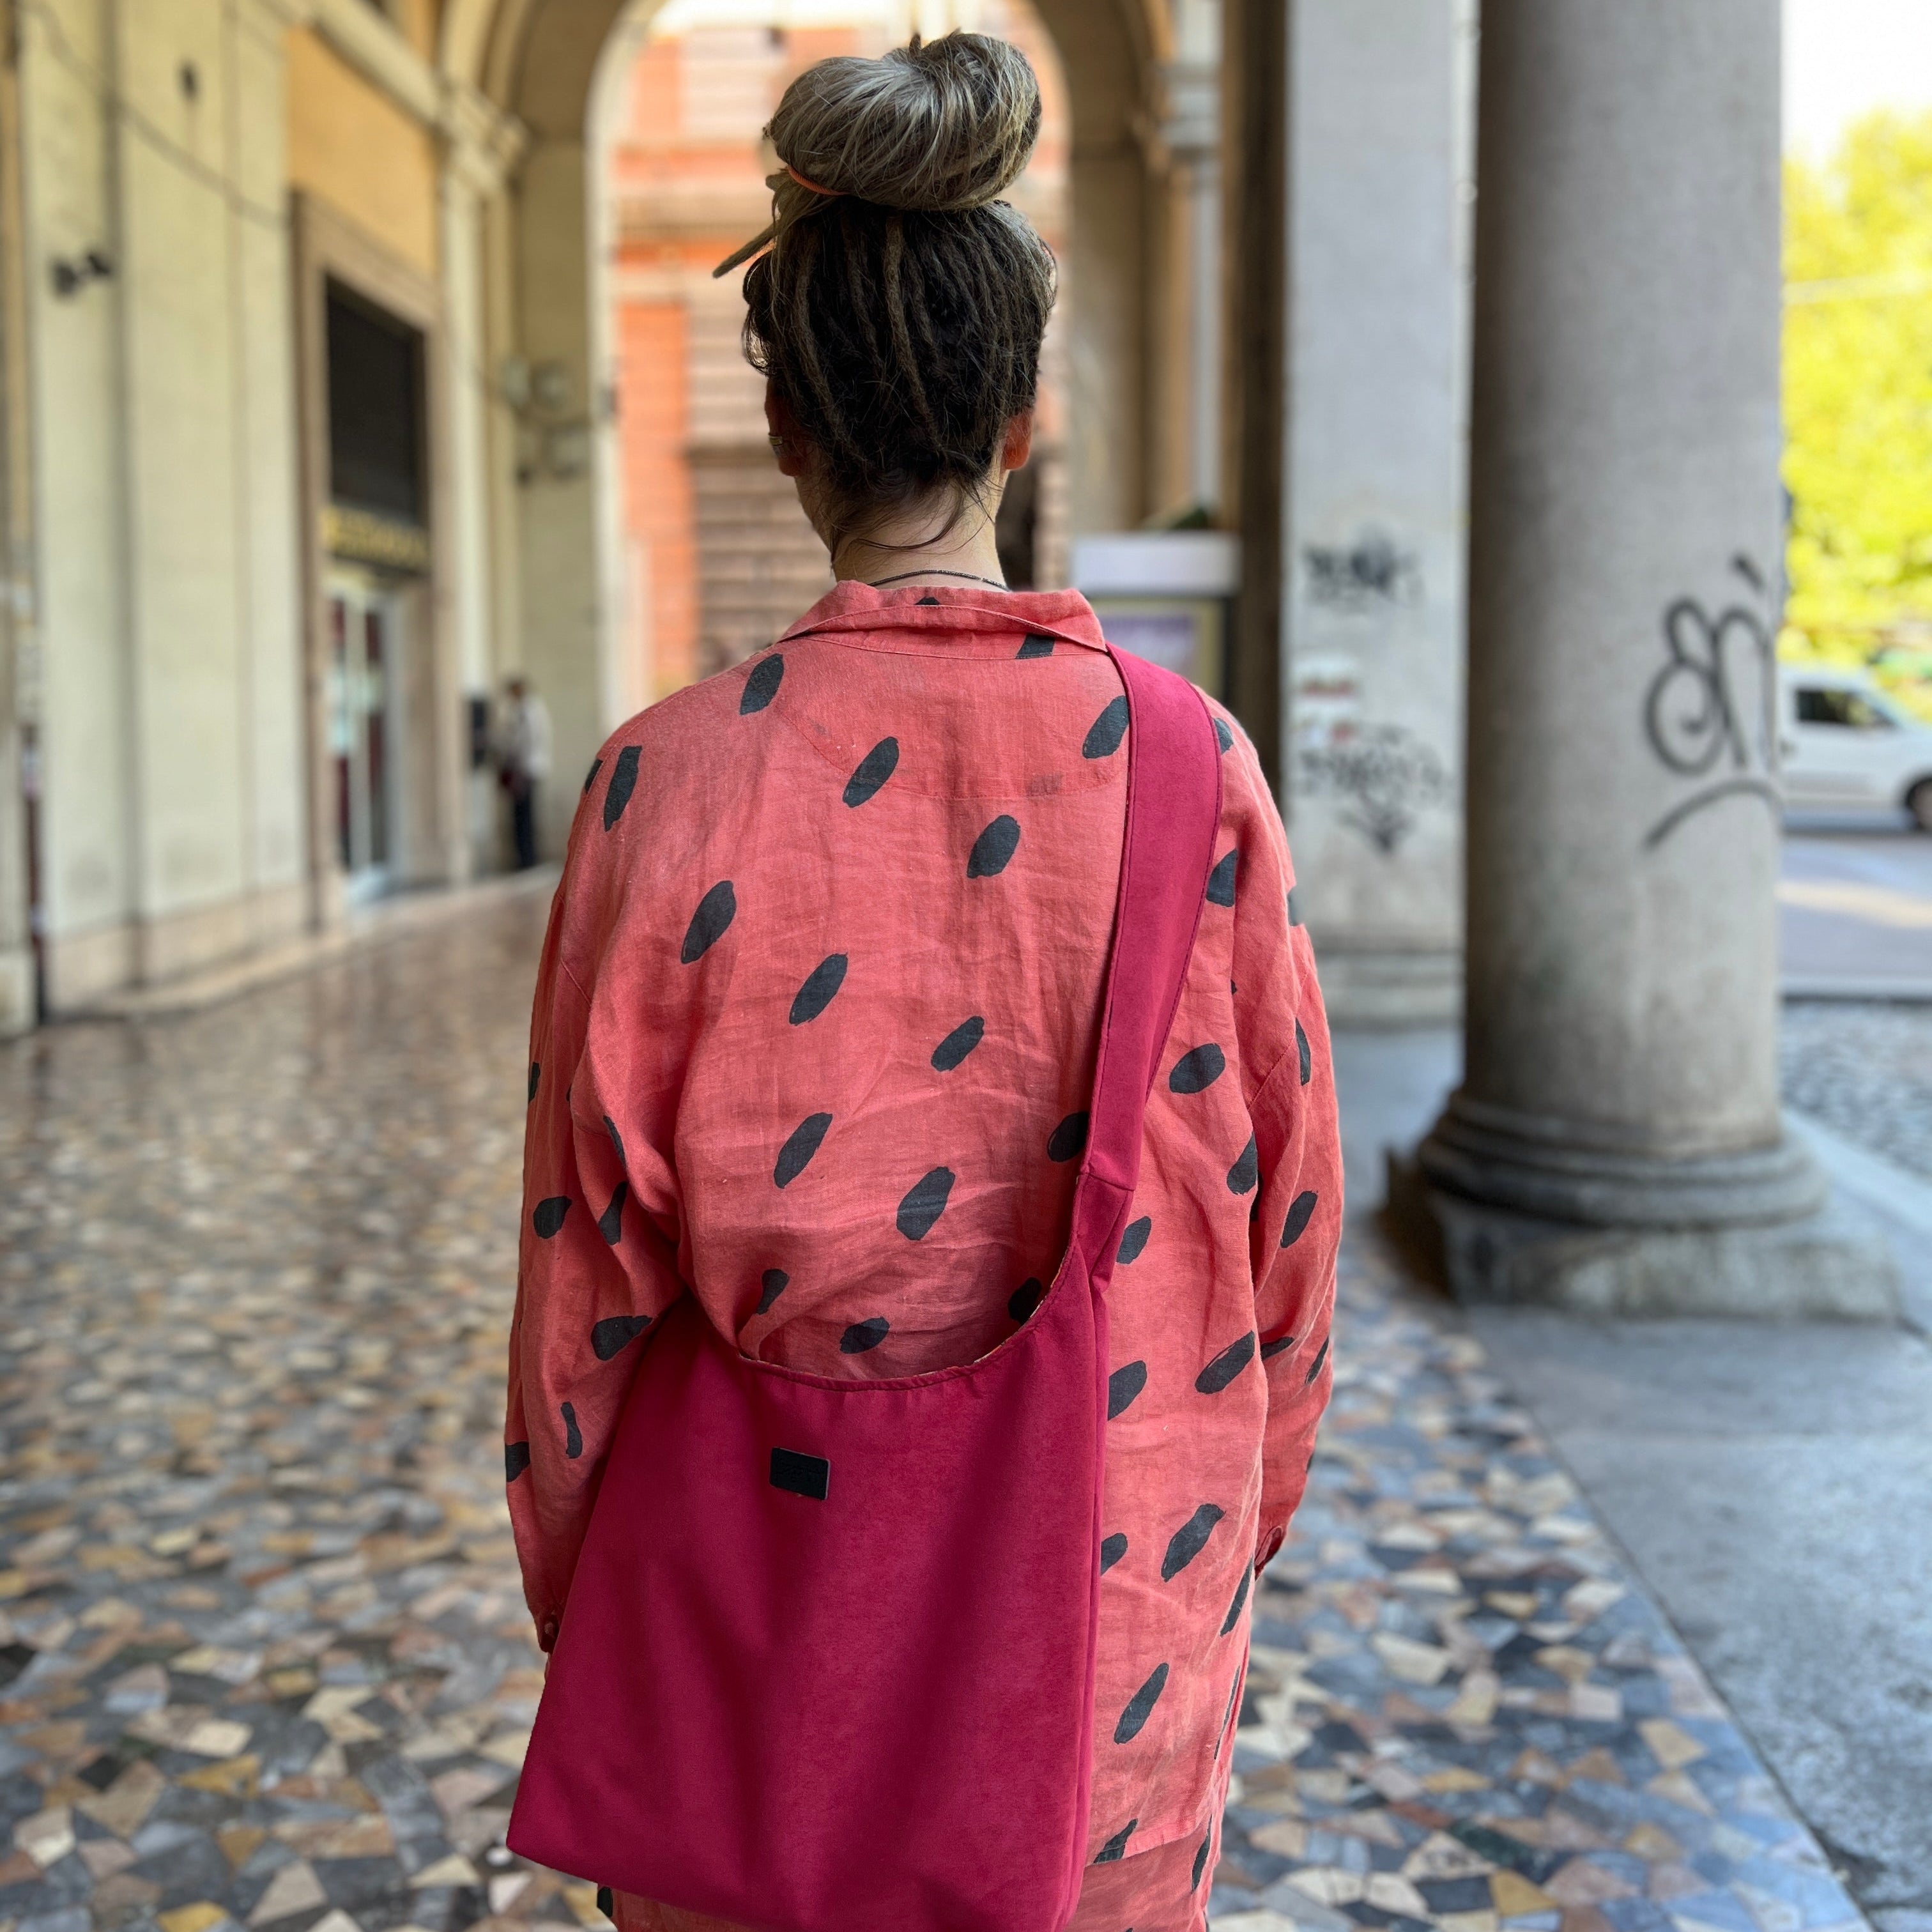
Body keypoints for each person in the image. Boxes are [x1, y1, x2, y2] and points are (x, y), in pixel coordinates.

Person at [504, 32, 1340, 1932]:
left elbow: (581, 1305)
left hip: (748, 1678)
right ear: (1024, 417)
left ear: (785, 425)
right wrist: (1200, 1551)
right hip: (1110, 1668)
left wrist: (600, 1612)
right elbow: (1292, 1250)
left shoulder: (666, 784)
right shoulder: (1192, 774)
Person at [498, 675, 552, 870]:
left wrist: (515, 762)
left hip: (526, 769)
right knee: (524, 815)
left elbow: (524, 741)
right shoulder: (528, 709)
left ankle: (527, 858)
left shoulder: (528, 710)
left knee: (524, 815)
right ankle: (525, 857)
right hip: (528, 768)